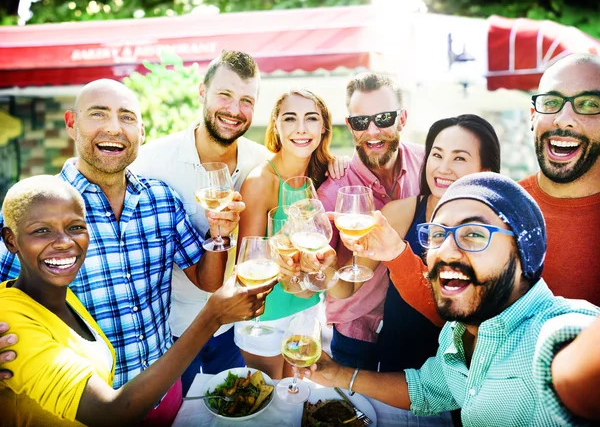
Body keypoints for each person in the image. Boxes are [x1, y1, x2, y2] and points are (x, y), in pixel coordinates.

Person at [0, 79, 243, 425]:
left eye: (127, 117)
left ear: (142, 131)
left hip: (165, 394)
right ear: (72, 124)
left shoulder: (162, 198)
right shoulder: (35, 213)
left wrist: (220, 233)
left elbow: (206, 279)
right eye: (99, 114)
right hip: (84, 411)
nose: (114, 127)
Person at [301, 172, 600, 426]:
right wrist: (338, 374)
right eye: (438, 234)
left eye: (473, 234)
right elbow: (428, 389)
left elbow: (575, 362)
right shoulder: (456, 333)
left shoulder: (553, 333)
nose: (446, 250)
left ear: (523, 252)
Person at [0, 175, 274, 427]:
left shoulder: (59, 293)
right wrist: (212, 316)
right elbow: (111, 413)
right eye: (41, 231)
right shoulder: (10, 322)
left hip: (162, 400)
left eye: (75, 227)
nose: (63, 242)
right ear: (10, 241)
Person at [129, 50, 271, 396]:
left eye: (246, 100)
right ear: (202, 93)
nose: (234, 110)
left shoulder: (263, 163)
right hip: (172, 331)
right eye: (225, 94)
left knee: (241, 411)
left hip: (237, 328)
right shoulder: (149, 163)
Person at [317, 72, 424, 371]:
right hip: (357, 331)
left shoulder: (429, 165)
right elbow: (321, 277)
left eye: (384, 118)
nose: (373, 131)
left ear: (402, 118)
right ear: (351, 126)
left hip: (419, 325)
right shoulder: (332, 190)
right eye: (362, 122)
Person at [377, 114, 501, 372]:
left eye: (459, 158)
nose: (442, 168)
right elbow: (347, 285)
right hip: (393, 366)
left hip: (454, 378)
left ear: (485, 171)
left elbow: (460, 315)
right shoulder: (399, 213)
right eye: (437, 155)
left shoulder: (494, 233)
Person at [234, 89, 335, 379]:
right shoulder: (260, 182)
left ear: (323, 127)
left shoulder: (317, 176)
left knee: (297, 396)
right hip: (266, 316)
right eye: (290, 119)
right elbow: (248, 265)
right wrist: (291, 270)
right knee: (270, 403)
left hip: (307, 308)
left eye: (311, 119)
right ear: (276, 126)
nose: (301, 129)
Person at [520, 53, 600, 305]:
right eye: (552, 102)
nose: (563, 119)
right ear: (532, 115)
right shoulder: (499, 209)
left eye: (588, 104)